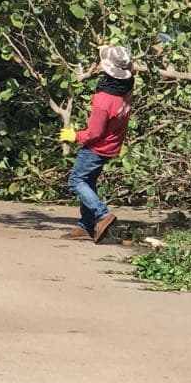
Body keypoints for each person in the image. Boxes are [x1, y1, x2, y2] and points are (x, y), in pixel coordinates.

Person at [58, 45, 135, 243]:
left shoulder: (104, 99)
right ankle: (86, 225)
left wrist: (75, 136)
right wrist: (105, 47)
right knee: (89, 182)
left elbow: (95, 133)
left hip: (96, 148)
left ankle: (103, 215)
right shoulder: (125, 91)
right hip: (111, 146)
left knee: (76, 181)